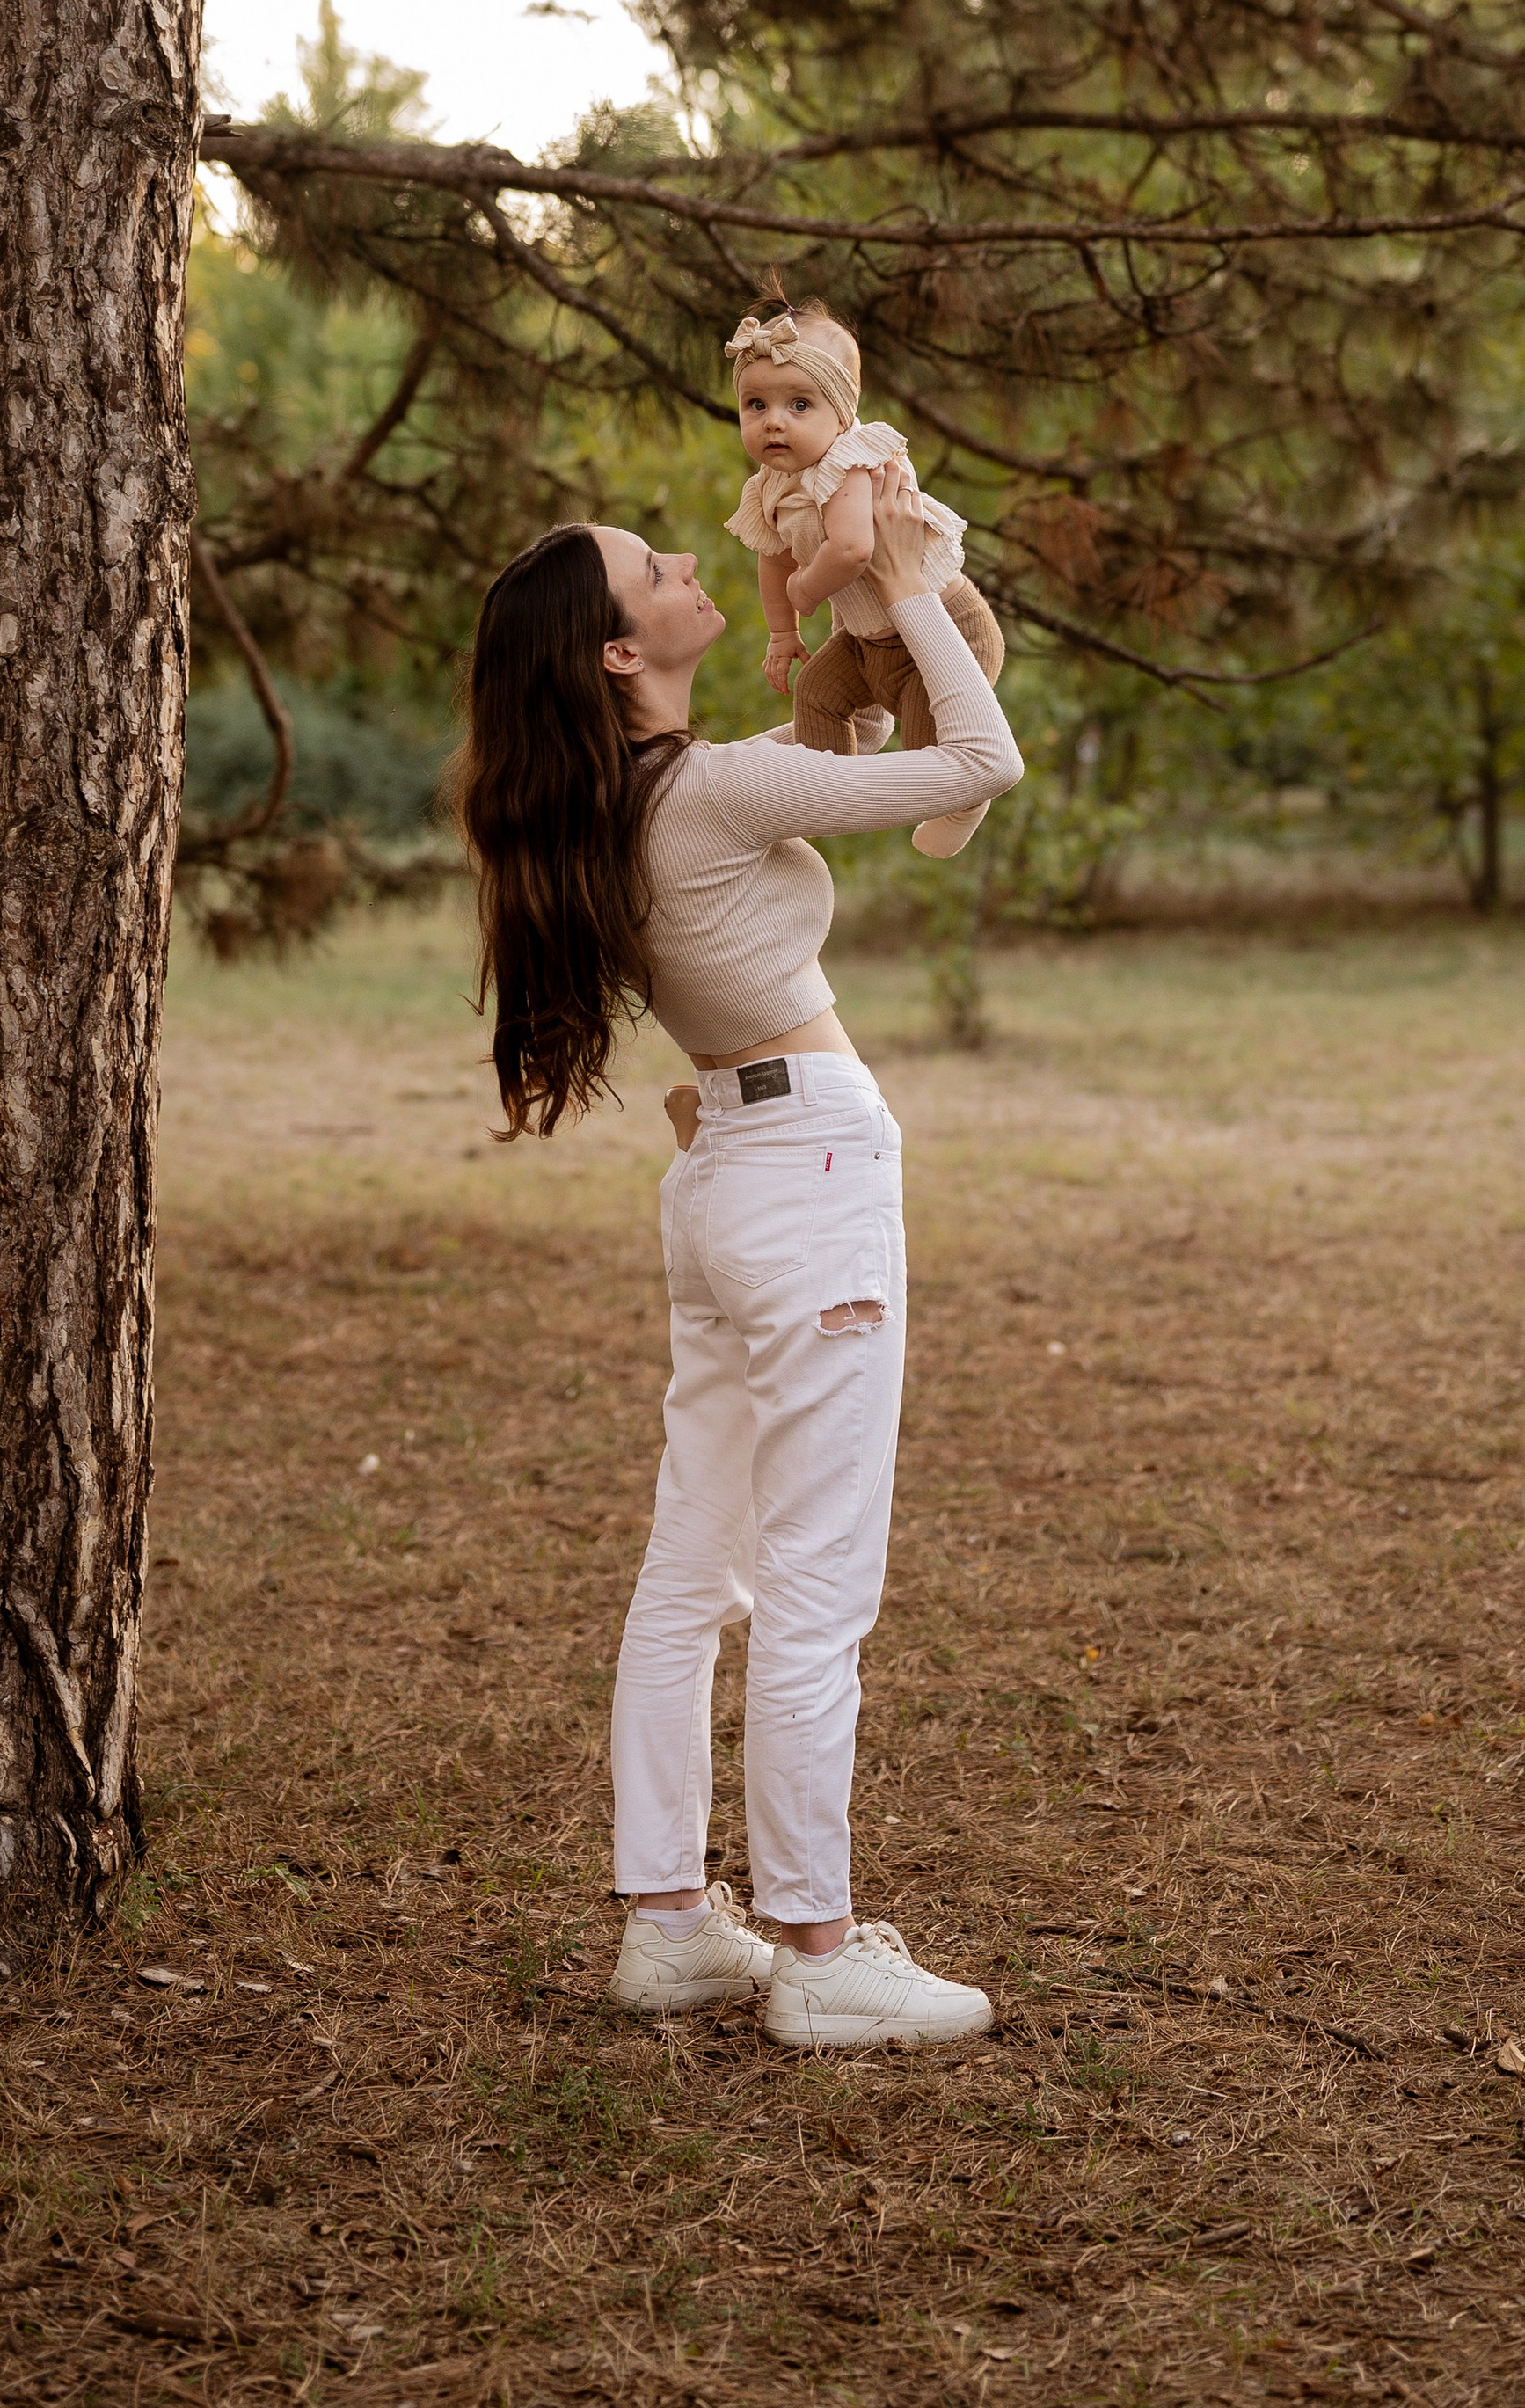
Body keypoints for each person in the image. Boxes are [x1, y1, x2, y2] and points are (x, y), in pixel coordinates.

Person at [449, 471, 1022, 2051]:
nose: (689, 559)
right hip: (807, 1166)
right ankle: (822, 1946)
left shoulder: (623, 802)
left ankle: (669, 1926)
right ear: (619, 654)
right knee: (815, 1588)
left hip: (721, 1180)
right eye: (651, 568)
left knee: (694, 1573)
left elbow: (828, 770)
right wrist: (907, 578)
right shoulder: (701, 791)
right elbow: (983, 757)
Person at [721, 297, 1007, 860]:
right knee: (816, 694)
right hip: (865, 640)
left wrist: (804, 592)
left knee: (931, 752)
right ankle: (827, 794)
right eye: (756, 404)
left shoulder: (849, 463)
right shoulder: (770, 485)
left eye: (799, 404)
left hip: (943, 634)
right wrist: (782, 632)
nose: (773, 420)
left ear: (843, 414)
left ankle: (967, 803)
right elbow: (773, 556)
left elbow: (852, 549)